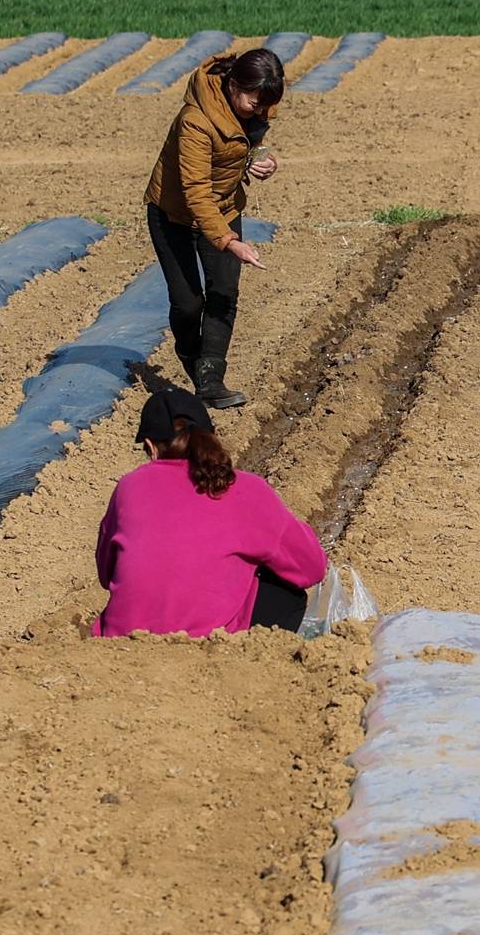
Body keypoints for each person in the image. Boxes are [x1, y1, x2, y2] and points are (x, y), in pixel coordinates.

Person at [93, 388, 326, 637]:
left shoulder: (129, 486)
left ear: (151, 447)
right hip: (207, 642)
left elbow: (107, 574)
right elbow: (311, 568)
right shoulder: (246, 487)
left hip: (124, 639)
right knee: (287, 593)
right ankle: (249, 661)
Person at [143, 47, 285, 408]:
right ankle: (192, 359)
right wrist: (228, 241)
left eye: (265, 104)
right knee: (189, 303)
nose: (261, 110)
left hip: (224, 205)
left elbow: (253, 138)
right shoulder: (195, 120)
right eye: (254, 102)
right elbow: (195, 192)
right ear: (234, 85)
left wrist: (262, 159)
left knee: (224, 291)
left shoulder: (255, 101)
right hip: (174, 214)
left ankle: (210, 382)